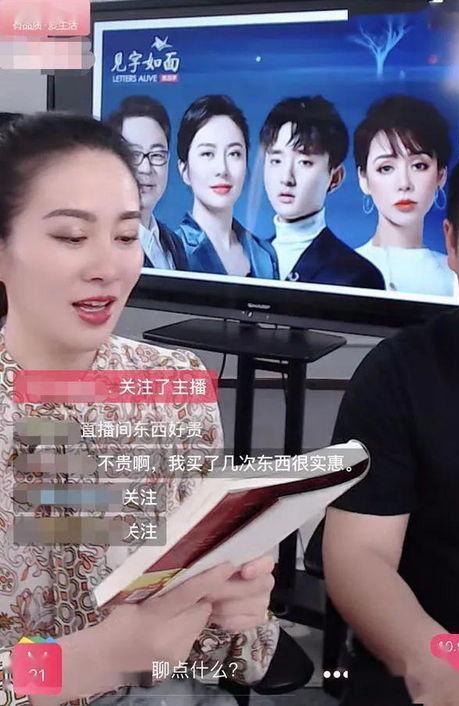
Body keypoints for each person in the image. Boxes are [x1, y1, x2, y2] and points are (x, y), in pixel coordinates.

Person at [0, 112, 279, 706]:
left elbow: (223, 658)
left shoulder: (173, 385)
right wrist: (92, 662)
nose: (107, 266)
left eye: (127, 237)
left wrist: (238, 608)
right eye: (71, 237)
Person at [323, 136, 459, 705]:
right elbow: (359, 555)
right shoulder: (398, 375)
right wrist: (442, 668)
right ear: (451, 244)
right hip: (434, 663)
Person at [259, 96, 384, 289]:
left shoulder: (357, 276)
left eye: (304, 162)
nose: (286, 178)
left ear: (335, 177)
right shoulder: (247, 257)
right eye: (276, 161)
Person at [354, 95, 455, 295]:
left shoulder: (456, 277)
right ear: (364, 179)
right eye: (386, 168)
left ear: (441, 175)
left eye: (419, 166)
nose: (404, 184)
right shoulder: (342, 271)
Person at [176, 95, 278, 278]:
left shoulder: (265, 254)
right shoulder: (173, 252)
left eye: (234, 154)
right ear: (184, 170)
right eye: (207, 154)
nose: (222, 169)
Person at [108, 95, 187, 270]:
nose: (146, 168)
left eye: (157, 155)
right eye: (134, 154)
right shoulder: (105, 243)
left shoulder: (175, 244)